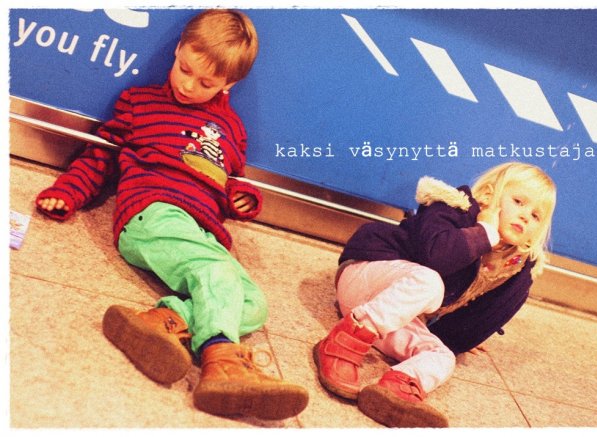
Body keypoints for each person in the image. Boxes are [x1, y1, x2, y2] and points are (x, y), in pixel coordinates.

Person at [36, 9, 308, 421]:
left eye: (206, 83)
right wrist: (67, 192)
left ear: (229, 84)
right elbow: (100, 157)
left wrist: (241, 197)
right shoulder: (139, 102)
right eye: (184, 69)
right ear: (179, 49)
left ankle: (161, 321)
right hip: (153, 213)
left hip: (202, 229)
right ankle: (221, 363)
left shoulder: (232, 128)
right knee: (217, 275)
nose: (187, 85)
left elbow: (232, 180)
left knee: (254, 304)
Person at [313, 162, 556, 427]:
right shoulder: (453, 207)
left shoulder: (514, 270)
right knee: (430, 283)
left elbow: (460, 334)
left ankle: (396, 389)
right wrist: (484, 233)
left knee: (443, 356)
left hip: (391, 318)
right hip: (365, 276)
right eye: (518, 202)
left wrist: (510, 281)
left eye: (536, 216)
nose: (525, 216)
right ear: (489, 194)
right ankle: (341, 343)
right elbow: (437, 257)